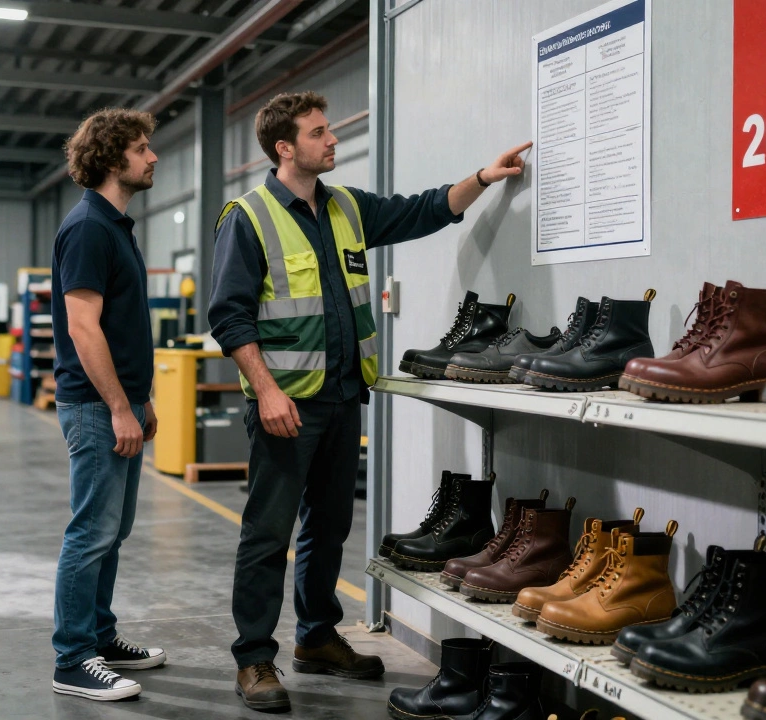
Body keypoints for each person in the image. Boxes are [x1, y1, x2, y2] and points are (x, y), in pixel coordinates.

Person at [209, 91, 532, 713]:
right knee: (268, 534)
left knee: (328, 526)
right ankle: (253, 658)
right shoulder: (247, 217)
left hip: (342, 396)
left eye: (329, 131)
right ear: (285, 147)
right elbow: (229, 318)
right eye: (319, 132)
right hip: (286, 405)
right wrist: (268, 391)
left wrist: (485, 178)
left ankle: (317, 637)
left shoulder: (346, 208)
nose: (332, 141)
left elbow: (423, 211)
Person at [49, 108, 166, 702]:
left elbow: (120, 329)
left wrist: (140, 400)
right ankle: (71, 659)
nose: (153, 157)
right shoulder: (91, 226)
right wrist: (120, 407)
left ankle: (98, 635)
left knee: (112, 530)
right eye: (143, 148)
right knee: (91, 533)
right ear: (113, 157)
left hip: (118, 404)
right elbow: (84, 328)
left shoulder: (116, 226)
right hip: (96, 409)